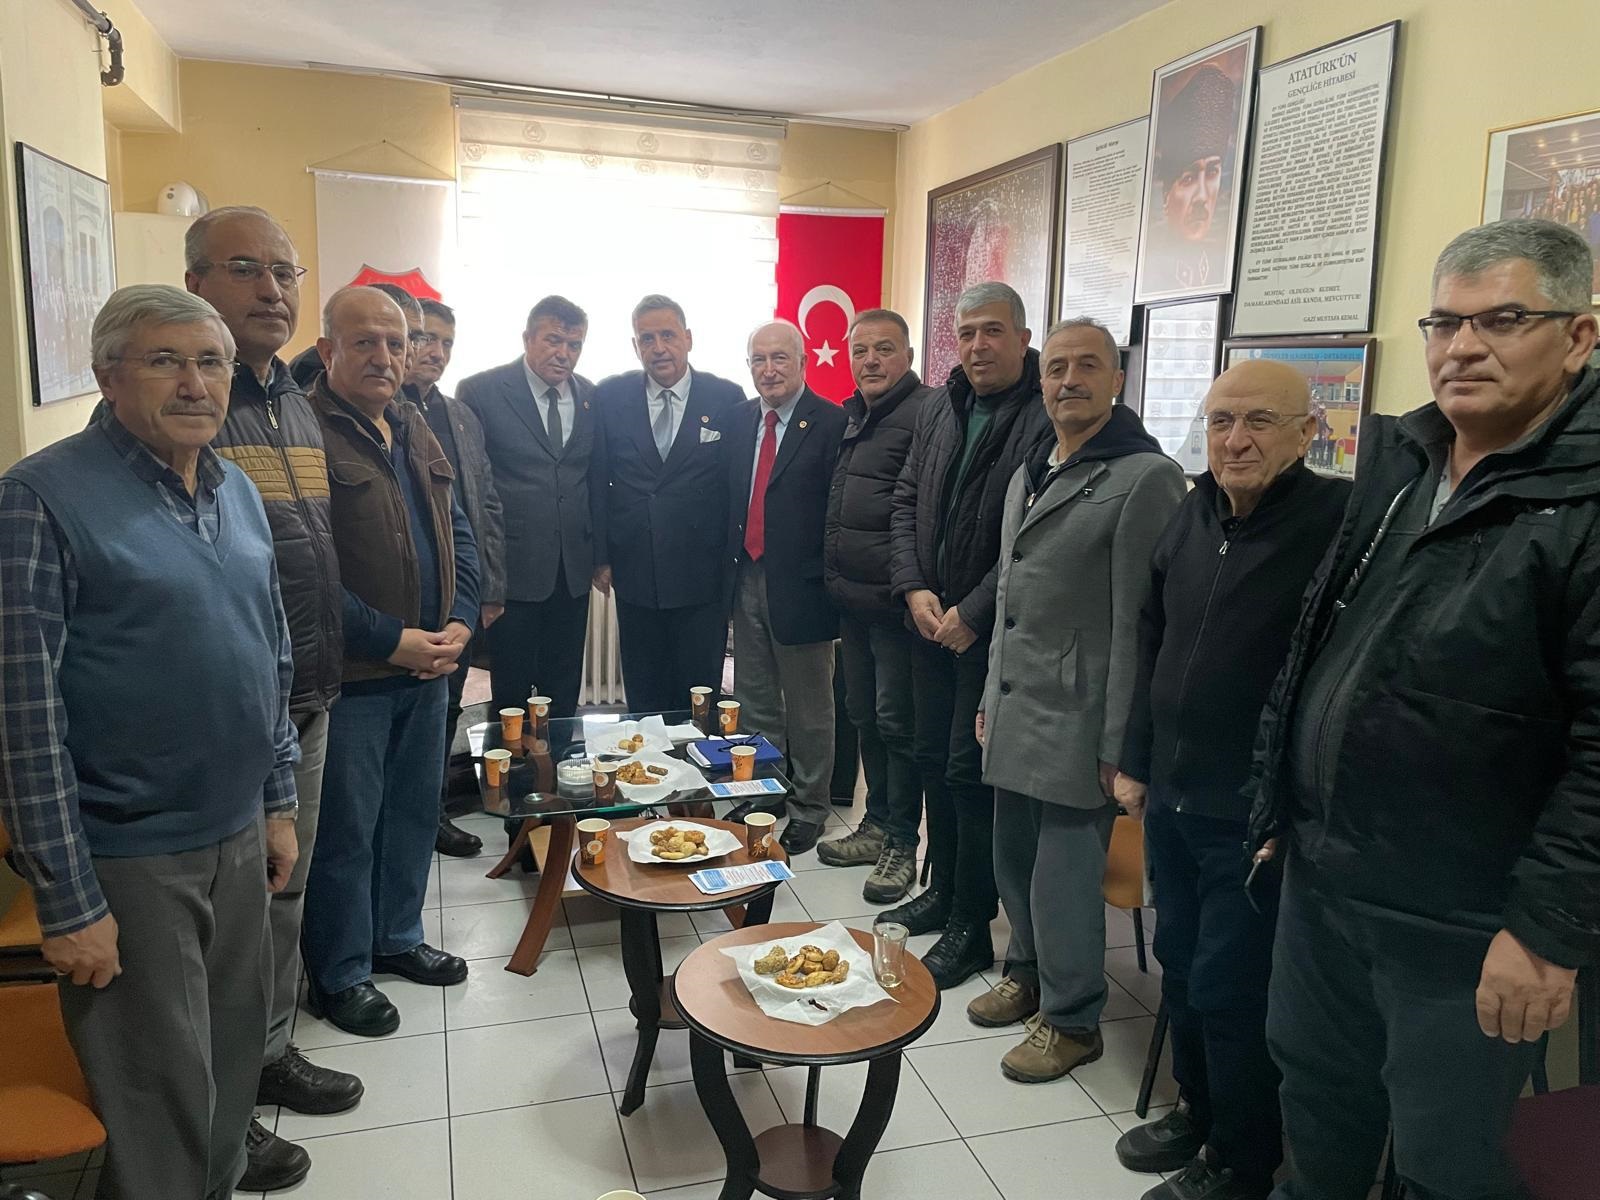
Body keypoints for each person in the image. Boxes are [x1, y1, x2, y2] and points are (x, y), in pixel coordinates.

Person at [1248, 218, 1600, 1199]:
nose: (1462, 347)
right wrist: (1276, 805)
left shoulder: (1583, 500)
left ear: (1577, 336)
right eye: (1444, 323)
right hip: (1327, 883)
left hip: (1466, 925)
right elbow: (1318, 645)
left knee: (1444, 1161)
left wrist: (1546, 932)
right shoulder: (1404, 460)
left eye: (1503, 320)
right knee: (1315, 1106)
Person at [0, 285, 298, 1199]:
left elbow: (272, 649)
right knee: (159, 1093)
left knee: (231, 1062)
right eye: (166, 361)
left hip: (237, 834)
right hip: (129, 854)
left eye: (210, 362)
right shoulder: (39, 499)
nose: (196, 384)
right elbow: (22, 716)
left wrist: (278, 799)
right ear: (107, 376)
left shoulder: (233, 486)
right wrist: (67, 900)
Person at [1111, 360, 1349, 1200]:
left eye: (1258, 422)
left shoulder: (1336, 525)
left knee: (1231, 987)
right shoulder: (1194, 511)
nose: (1235, 440)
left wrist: (1288, 803)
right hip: (1172, 795)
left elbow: (1335, 683)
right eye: (1220, 421)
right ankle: (1198, 1110)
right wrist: (1134, 758)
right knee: (1179, 963)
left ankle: (1241, 1160)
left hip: (1254, 814)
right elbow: (1153, 638)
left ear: (1306, 432)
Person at [184, 206, 361, 1190]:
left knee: (283, 897)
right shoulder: (187, 404)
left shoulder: (292, 400)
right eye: (246, 268)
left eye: (286, 273)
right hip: (229, 719)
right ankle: (222, 1114)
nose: (272, 290)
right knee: (229, 926)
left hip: (306, 694)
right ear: (197, 284)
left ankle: (267, 1055)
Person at [969, 317, 1183, 1082]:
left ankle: (1072, 1018)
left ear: (1117, 380)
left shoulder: (1145, 477)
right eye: (1057, 367)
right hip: (1017, 702)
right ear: (1041, 380)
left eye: (1088, 366)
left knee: (1063, 873)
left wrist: (1120, 745)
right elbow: (1008, 600)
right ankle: (1026, 973)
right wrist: (989, 697)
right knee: (1014, 857)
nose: (1069, 380)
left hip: (1082, 714)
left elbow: (1139, 623)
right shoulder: (1034, 468)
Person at [300, 286, 479, 1037]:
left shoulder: (412, 424)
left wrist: (461, 620)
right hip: (358, 675)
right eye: (364, 342)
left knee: (410, 815)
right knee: (348, 829)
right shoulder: (307, 432)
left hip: (429, 668)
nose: (384, 357)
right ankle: (341, 973)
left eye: (395, 343)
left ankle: (397, 937)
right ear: (327, 350)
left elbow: (458, 530)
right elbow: (305, 573)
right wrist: (390, 639)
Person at [882, 282, 1052, 989]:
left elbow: (1033, 538)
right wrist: (912, 586)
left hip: (989, 634)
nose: (978, 346)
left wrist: (973, 611)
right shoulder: (941, 405)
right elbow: (905, 500)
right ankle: (944, 889)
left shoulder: (1043, 414)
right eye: (967, 333)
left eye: (993, 331)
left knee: (967, 774)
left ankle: (972, 925)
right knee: (930, 759)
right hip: (927, 621)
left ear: (1023, 338)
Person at [818, 308, 935, 904]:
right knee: (863, 714)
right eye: (860, 350)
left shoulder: (927, 413)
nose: (870, 361)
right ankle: (876, 824)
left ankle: (901, 842)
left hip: (896, 606)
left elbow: (918, 510)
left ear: (908, 355)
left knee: (897, 723)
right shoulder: (855, 414)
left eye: (884, 349)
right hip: (854, 602)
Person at [724, 320, 848, 855]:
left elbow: (839, 511)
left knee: (809, 706)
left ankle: (810, 806)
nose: (769, 369)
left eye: (779, 358)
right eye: (759, 359)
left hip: (804, 585)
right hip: (746, 575)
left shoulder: (833, 422)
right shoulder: (739, 420)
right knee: (754, 700)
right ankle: (765, 793)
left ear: (803, 362)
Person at [458, 296, 606, 719]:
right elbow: (473, 487)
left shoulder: (590, 396)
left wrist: (600, 556)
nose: (564, 354)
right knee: (512, 691)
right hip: (512, 570)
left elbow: (596, 479)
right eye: (553, 340)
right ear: (527, 338)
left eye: (574, 345)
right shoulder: (481, 391)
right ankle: (511, 763)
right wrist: (482, 575)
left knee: (563, 687)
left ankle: (559, 758)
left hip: (572, 571)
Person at [593, 295, 743, 713]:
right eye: (647, 338)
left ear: (688, 338)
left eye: (668, 335)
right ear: (635, 345)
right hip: (636, 570)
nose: (658, 347)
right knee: (645, 696)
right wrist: (600, 556)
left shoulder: (726, 397)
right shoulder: (610, 396)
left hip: (703, 576)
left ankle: (694, 756)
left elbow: (735, 487)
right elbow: (597, 479)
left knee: (698, 697)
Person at [407, 297, 506, 858]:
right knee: (407, 712)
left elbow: (485, 502)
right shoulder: (381, 408)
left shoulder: (460, 415)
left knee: (446, 706)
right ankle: (404, 815)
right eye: (425, 339)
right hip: (400, 597)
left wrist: (490, 588)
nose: (436, 352)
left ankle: (432, 811)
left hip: (458, 594)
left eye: (446, 342)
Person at [1148, 63, 1237, 293]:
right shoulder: (1152, 276)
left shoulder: (1224, 270)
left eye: (1212, 172)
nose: (1202, 196)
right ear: (1166, 194)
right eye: (1188, 179)